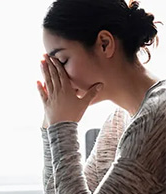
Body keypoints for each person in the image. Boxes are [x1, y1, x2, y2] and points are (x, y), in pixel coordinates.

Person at [37, 0, 166, 193]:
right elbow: (57, 190)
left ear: (104, 44)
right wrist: (51, 122)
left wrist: (62, 126)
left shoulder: (158, 117)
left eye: (62, 61)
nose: (58, 77)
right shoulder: (117, 123)